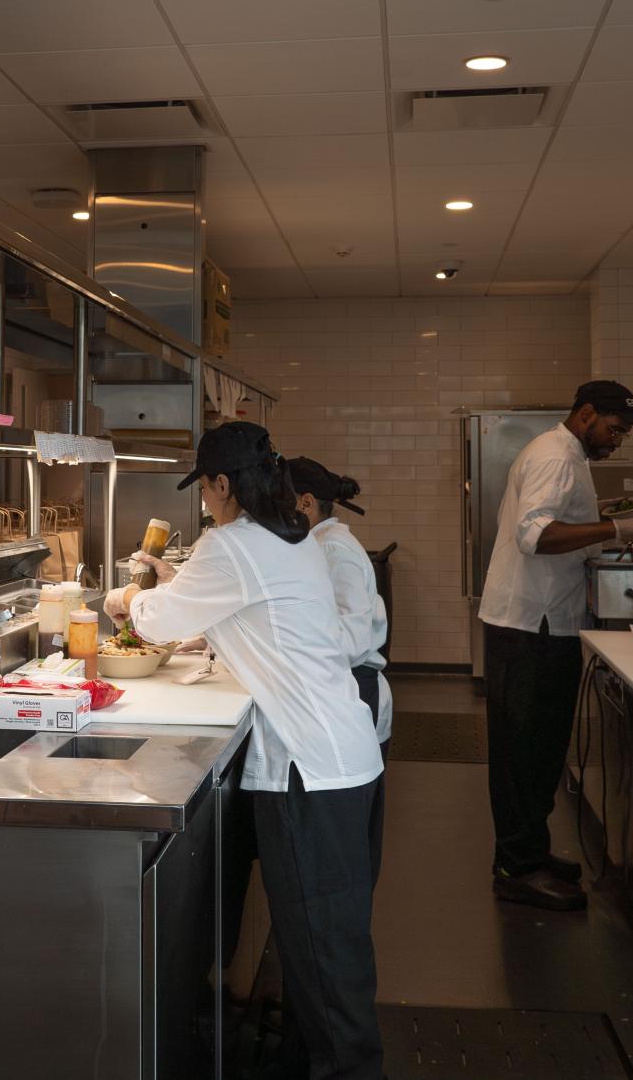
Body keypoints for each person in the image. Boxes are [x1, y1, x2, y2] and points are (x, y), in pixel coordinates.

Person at [106, 422, 383, 1080]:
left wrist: (129, 598)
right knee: (325, 948)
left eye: (203, 488)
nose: (203, 501)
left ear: (222, 484)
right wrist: (176, 589)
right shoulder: (286, 535)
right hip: (340, 754)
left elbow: (160, 620)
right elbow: (239, 612)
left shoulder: (231, 544)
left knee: (322, 953)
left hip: (307, 768)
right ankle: (314, 1063)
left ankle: (348, 1070)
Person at [479, 380, 633, 912]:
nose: (617, 441)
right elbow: (535, 535)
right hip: (529, 624)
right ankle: (515, 869)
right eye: (613, 429)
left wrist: (606, 512)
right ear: (585, 414)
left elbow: (555, 515)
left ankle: (530, 854)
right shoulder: (556, 456)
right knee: (524, 751)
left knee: (540, 749)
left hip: (542, 621)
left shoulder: (566, 455)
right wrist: (617, 527)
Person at [288, 456, 391, 884]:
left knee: (349, 849)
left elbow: (350, 640)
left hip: (357, 692)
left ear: (306, 502)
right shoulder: (317, 544)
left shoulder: (334, 551)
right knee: (344, 848)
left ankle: (343, 931)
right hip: (343, 694)